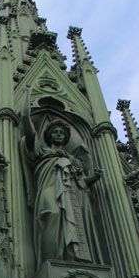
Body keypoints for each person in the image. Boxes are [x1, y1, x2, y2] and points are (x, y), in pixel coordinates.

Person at [21, 86, 102, 268]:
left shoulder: (73, 160)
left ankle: (72, 259)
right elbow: (26, 120)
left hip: (72, 196)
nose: (58, 134)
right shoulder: (41, 150)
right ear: (48, 135)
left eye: (62, 133)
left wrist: (93, 179)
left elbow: (81, 183)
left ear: (66, 138)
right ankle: (51, 261)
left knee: (73, 224)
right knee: (52, 214)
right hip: (48, 189)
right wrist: (26, 96)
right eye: (55, 132)